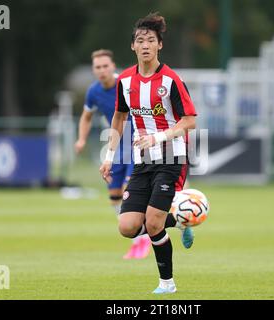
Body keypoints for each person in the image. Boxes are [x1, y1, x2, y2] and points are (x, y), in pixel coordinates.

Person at [100, 13, 196, 294]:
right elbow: (118, 118)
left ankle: (167, 284)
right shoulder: (125, 81)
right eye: (140, 40)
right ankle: (179, 218)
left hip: (171, 158)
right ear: (132, 46)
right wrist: (108, 157)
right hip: (142, 162)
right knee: (127, 227)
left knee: (153, 223)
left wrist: (158, 136)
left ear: (159, 46)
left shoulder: (171, 80)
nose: (145, 45)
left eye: (150, 41)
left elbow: (189, 120)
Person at [75, 49, 151, 259]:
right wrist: (81, 139)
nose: (102, 71)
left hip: (138, 145)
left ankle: (144, 238)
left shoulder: (125, 84)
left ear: (113, 66)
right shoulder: (93, 92)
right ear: (93, 70)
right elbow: (86, 117)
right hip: (116, 147)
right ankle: (138, 238)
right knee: (114, 196)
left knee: (130, 192)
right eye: (97, 67)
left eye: (105, 66)